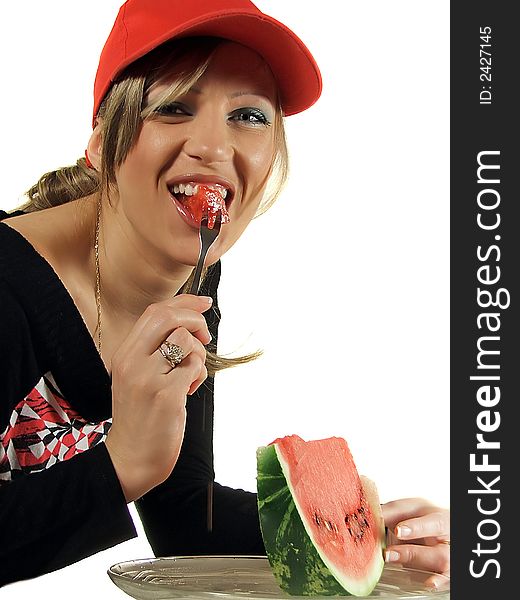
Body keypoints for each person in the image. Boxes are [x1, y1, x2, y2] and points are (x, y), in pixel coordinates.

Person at [0, 0, 449, 589]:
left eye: (250, 116)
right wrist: (123, 465)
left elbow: (186, 516)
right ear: (102, 142)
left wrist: (372, 537)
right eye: (173, 107)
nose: (213, 145)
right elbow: (139, 470)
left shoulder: (191, 274)